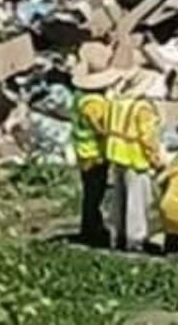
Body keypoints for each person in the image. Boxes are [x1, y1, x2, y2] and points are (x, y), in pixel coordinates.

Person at [104, 71, 169, 253]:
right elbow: (148, 138)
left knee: (119, 200)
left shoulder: (116, 103)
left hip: (116, 155)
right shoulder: (142, 108)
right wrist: (157, 160)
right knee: (137, 202)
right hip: (135, 157)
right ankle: (136, 240)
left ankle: (117, 236)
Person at [69, 69, 118, 249]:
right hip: (94, 153)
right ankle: (91, 229)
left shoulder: (79, 99)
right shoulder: (94, 105)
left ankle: (91, 226)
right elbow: (100, 128)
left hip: (83, 152)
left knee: (91, 192)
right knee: (94, 193)